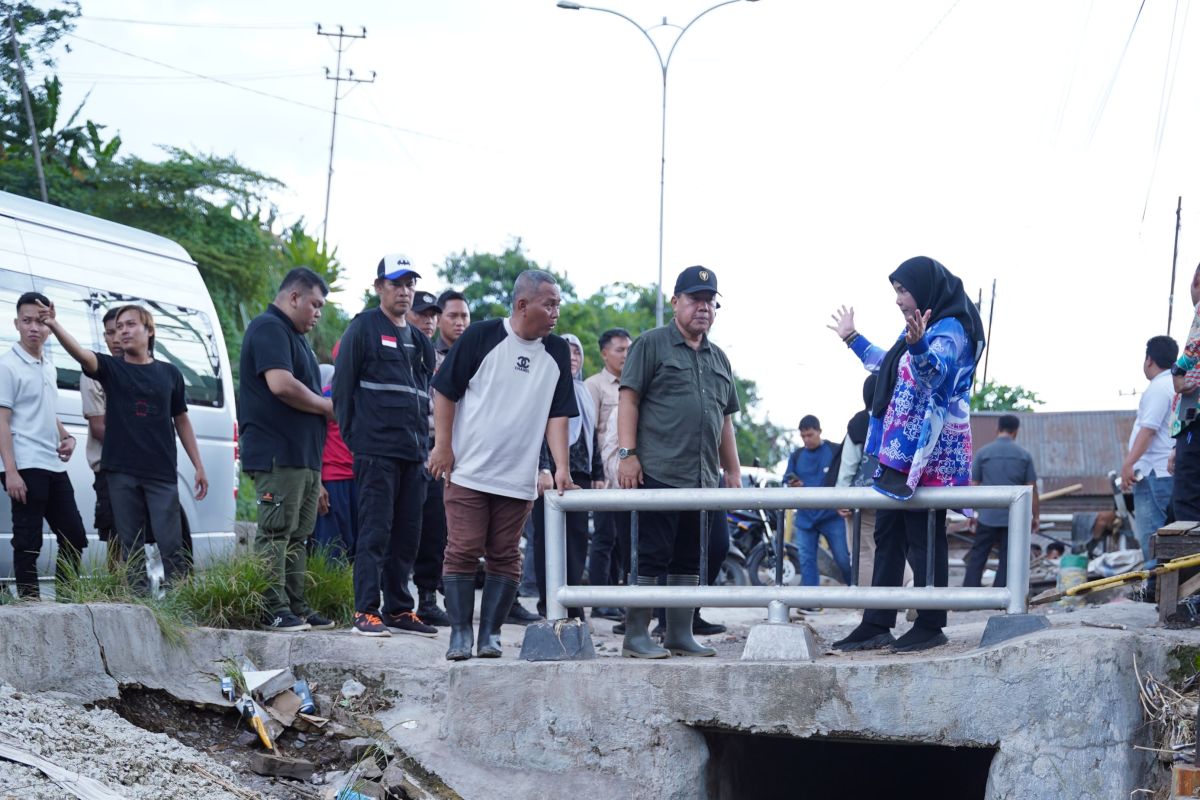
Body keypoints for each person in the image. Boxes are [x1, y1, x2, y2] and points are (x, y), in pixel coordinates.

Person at [827, 255, 985, 653]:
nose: (898, 300)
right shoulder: (919, 326)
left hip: (928, 449)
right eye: (895, 291)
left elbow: (936, 375)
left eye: (903, 290)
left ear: (926, 289)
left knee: (923, 532)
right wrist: (852, 338)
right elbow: (889, 366)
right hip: (900, 447)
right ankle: (877, 621)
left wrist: (917, 347)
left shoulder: (951, 330)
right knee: (888, 533)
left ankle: (931, 622)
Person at [429, 269, 578, 661]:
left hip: (518, 475)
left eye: (558, 304)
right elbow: (444, 390)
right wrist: (442, 446)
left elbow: (558, 414)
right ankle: (460, 633)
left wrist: (561, 466)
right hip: (470, 470)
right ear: (522, 304)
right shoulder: (481, 336)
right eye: (549, 304)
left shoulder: (557, 351)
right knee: (462, 550)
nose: (555, 312)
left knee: (505, 555)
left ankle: (490, 634)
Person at [39, 301, 208, 594]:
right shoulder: (111, 368)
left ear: (149, 330)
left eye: (130, 325)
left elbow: (181, 420)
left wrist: (199, 466)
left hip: (161, 472)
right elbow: (80, 354)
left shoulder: (170, 374)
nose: (122, 332)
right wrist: (53, 325)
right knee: (130, 546)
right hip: (121, 473)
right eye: (118, 328)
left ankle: (181, 605)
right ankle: (138, 605)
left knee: (171, 543)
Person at [617, 266, 742, 660]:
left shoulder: (719, 358)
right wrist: (627, 454)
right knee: (651, 555)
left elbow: (724, 419)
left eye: (710, 302)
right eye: (695, 300)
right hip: (658, 471)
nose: (703, 308)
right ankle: (636, 636)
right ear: (676, 303)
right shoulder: (652, 344)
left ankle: (679, 633)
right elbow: (629, 399)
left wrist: (733, 471)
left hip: (702, 479)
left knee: (694, 555)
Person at [335, 255, 438, 637]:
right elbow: (342, 391)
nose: (405, 291)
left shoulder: (419, 340)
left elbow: (428, 397)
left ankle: (399, 609)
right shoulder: (363, 328)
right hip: (375, 453)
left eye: (410, 284)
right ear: (379, 287)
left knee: (407, 535)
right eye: (397, 284)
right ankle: (366, 610)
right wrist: (357, 441)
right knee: (375, 533)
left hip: (414, 455)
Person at [239, 268, 335, 632]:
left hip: (303, 457)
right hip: (278, 453)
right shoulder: (269, 328)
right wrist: (327, 407)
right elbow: (280, 384)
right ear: (294, 297)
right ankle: (271, 607)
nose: (317, 313)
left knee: (298, 534)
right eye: (315, 304)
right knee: (276, 532)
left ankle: (295, 605)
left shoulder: (296, 338)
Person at [0, 292, 88, 598]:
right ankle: (30, 605)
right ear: (16, 324)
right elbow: (2, 420)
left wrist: (66, 435)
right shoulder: (7, 365)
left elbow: (46, 411)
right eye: (27, 321)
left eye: (41, 321)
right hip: (24, 464)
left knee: (75, 535)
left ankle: (65, 600)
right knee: (28, 540)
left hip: (52, 463)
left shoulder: (47, 364)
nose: (34, 328)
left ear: (50, 325)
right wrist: (10, 471)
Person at [531, 333, 605, 620]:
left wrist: (597, 471)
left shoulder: (583, 392)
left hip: (580, 477)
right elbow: (535, 432)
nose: (572, 357)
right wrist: (543, 468)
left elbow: (592, 435)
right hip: (547, 477)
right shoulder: (542, 387)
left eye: (577, 352)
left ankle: (574, 606)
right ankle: (547, 604)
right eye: (567, 352)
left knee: (576, 540)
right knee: (546, 541)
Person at [406, 290, 451, 627]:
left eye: (433, 315)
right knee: (400, 527)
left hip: (436, 450)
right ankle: (391, 598)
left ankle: (428, 599)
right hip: (403, 448)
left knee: (435, 528)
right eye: (422, 314)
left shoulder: (442, 362)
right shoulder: (398, 351)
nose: (429, 321)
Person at [584, 328, 632, 621]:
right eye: (619, 349)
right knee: (604, 537)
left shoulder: (634, 385)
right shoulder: (595, 386)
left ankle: (620, 598)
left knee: (624, 539)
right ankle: (601, 598)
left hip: (627, 476)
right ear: (604, 353)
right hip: (603, 474)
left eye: (628, 349)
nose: (625, 354)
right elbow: (589, 433)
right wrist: (595, 472)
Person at [1119, 336, 1178, 569]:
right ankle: (1163, 587)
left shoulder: (1158, 388)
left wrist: (1128, 464)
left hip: (1154, 471)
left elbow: (1148, 431)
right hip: (1168, 470)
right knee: (1171, 533)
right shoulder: (1175, 385)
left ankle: (1154, 585)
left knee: (1152, 535)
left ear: (1149, 359)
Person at [964, 415, 1038, 588]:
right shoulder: (1024, 455)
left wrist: (970, 512)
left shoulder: (983, 453)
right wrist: (1035, 516)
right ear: (1016, 431)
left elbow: (973, 486)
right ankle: (999, 598)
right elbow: (1032, 489)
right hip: (1013, 518)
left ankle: (968, 597)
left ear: (998, 429)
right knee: (1007, 558)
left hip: (986, 516)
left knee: (978, 555)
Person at [785, 414, 852, 592]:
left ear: (819, 432)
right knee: (806, 560)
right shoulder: (796, 455)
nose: (807, 439)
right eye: (803, 436)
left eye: (810, 435)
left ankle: (857, 593)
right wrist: (794, 484)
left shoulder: (834, 450)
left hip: (832, 516)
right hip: (806, 517)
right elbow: (787, 479)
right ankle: (811, 602)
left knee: (844, 558)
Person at [80, 307, 122, 568]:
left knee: (146, 533)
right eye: (110, 333)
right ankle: (118, 593)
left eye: (122, 329)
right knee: (116, 535)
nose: (117, 338)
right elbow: (98, 427)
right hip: (110, 467)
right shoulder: (94, 372)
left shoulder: (151, 370)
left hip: (145, 468)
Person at [311, 357, 357, 561]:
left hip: (362, 482)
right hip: (333, 482)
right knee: (330, 555)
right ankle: (330, 594)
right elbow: (312, 439)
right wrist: (317, 483)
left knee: (357, 556)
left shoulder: (370, 393)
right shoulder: (326, 397)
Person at [835, 375, 879, 586]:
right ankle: (909, 586)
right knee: (889, 548)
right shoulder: (896, 418)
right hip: (892, 493)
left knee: (862, 550)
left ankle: (866, 608)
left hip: (861, 497)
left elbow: (849, 463)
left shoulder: (861, 421)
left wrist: (841, 496)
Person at [1171, 264, 1200, 522]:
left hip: (1195, 418)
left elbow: (1192, 351)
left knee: (1188, 502)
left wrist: (1177, 371)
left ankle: (1193, 562)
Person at [435, 289, 471, 362]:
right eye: (452, 316)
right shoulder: (428, 356)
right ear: (438, 320)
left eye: (464, 316)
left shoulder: (479, 354)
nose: (460, 323)